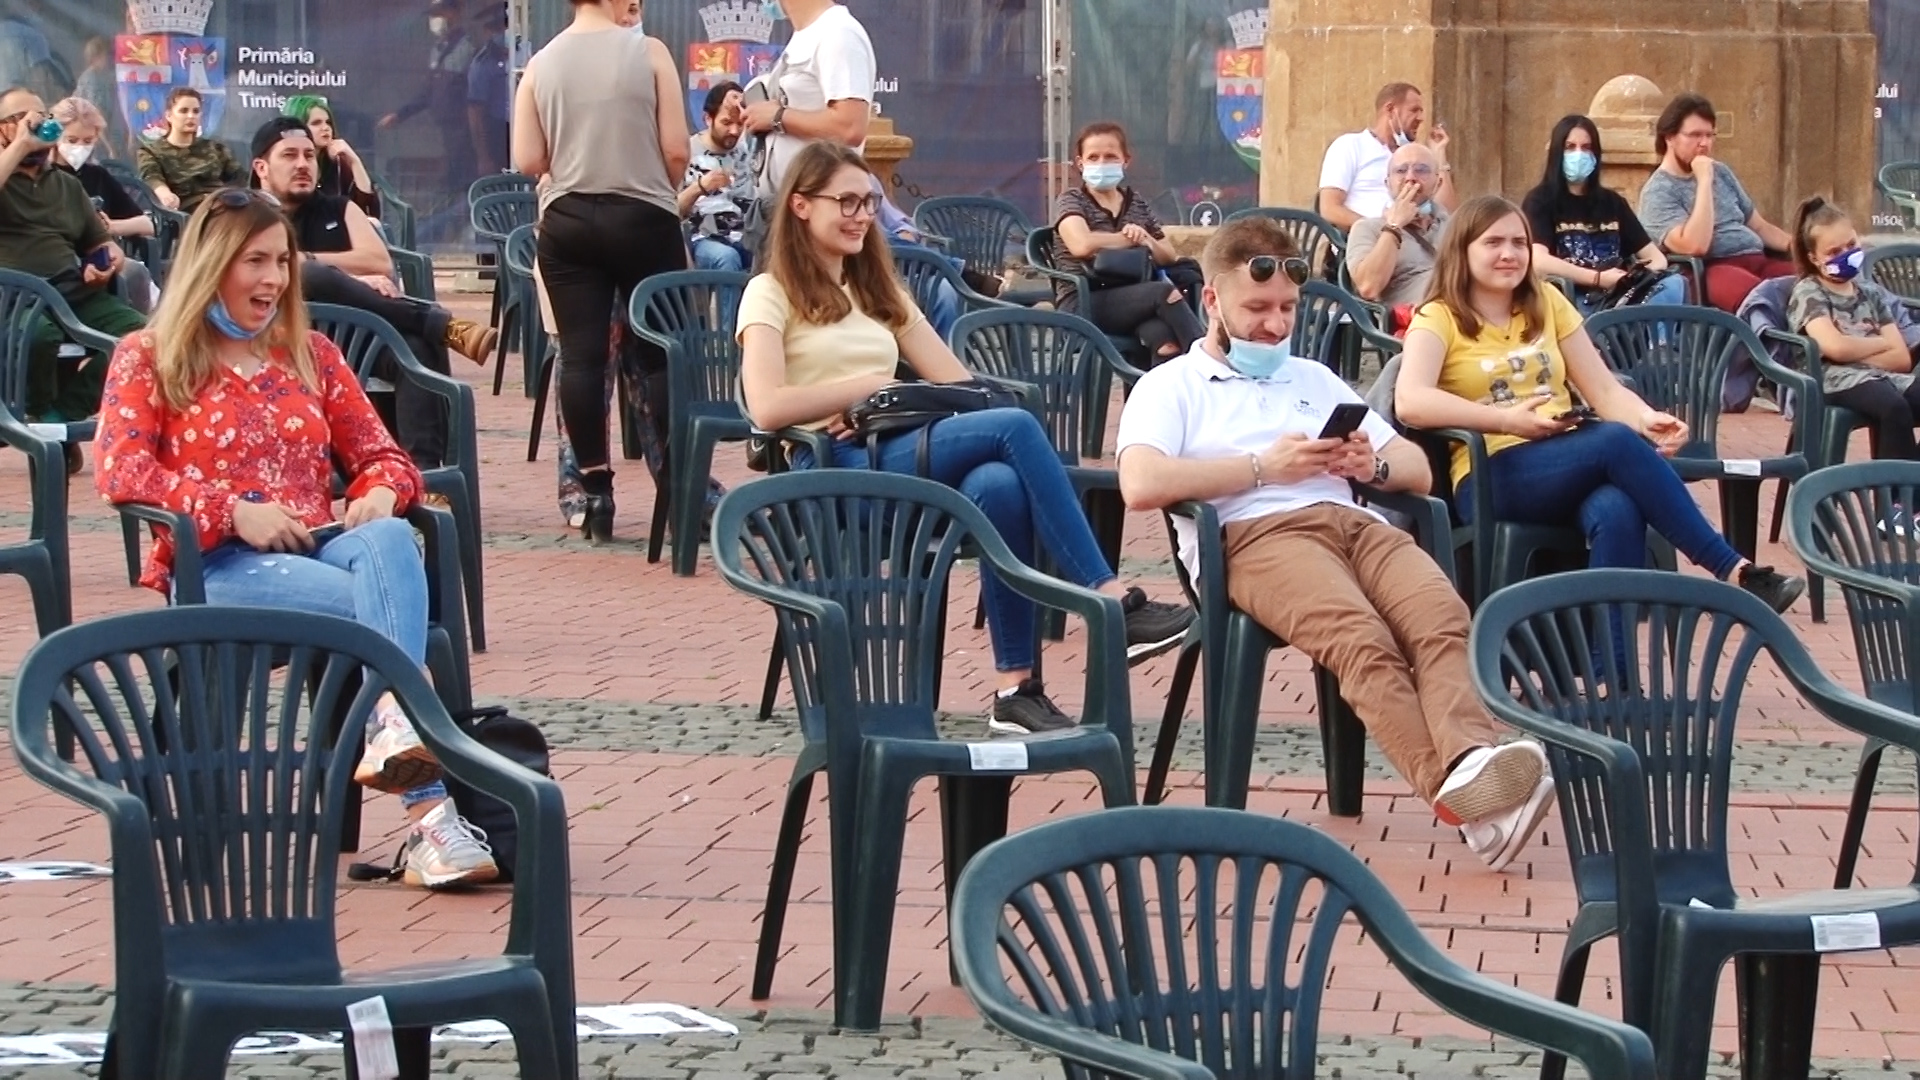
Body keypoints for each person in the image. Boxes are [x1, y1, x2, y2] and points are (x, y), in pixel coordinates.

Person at [1114, 215, 1552, 871]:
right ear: (1212, 301)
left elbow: (1417, 469)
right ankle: (1467, 800)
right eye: (1257, 309)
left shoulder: (1313, 378)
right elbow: (1141, 484)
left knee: (1441, 616)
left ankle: (1471, 766)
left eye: (1287, 308)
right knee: (1361, 638)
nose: (1275, 325)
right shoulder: (1169, 385)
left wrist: (1368, 464)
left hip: (1355, 524)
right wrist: (1264, 468)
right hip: (1254, 536)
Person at [93, 187, 496, 890]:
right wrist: (230, 511)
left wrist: (380, 488)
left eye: (282, 261)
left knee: (391, 539)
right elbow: (122, 470)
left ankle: (393, 728)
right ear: (212, 264)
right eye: (255, 261)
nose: (275, 278)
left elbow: (385, 454)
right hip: (219, 564)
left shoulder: (309, 352)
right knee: (382, 607)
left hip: (319, 543)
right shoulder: (149, 354)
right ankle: (431, 817)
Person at [739, 141, 1194, 734]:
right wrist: (868, 387)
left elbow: (956, 384)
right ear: (801, 205)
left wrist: (893, 399)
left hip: (894, 450)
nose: (861, 215)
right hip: (831, 471)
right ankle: (1110, 601)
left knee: (997, 483)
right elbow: (767, 406)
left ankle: (1015, 691)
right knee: (1014, 427)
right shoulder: (769, 292)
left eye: (869, 202)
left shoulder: (878, 290)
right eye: (845, 202)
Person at [1391, 194, 1806, 614]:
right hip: (1491, 472)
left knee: (1617, 508)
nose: (1509, 254)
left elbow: (1604, 392)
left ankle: (1609, 654)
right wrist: (1504, 421)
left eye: (1519, 243)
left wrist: (1646, 418)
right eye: (1493, 243)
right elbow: (1411, 400)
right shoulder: (1438, 316)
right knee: (1615, 441)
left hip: (1566, 457)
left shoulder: (1547, 301)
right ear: (1462, 250)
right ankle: (1733, 571)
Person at [514, 0, 689, 543]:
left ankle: (594, 487)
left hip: (568, 220)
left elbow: (528, 159)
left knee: (581, 357)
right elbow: (677, 150)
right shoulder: (651, 53)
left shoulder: (540, 64)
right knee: (660, 354)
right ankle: (678, 484)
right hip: (644, 214)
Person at [250, 117, 494, 474]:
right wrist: (330, 271)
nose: (302, 164)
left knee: (416, 348)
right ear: (261, 167)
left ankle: (426, 476)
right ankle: (437, 323)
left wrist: (316, 262)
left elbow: (379, 262)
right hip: (278, 344)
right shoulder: (247, 216)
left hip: (355, 343)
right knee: (308, 275)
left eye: (309, 155)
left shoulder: (339, 208)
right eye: (289, 155)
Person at [0, 86, 145, 468]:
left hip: (72, 290)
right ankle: (38, 420)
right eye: (21, 118)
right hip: (13, 295)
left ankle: (58, 417)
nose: (35, 123)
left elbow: (100, 242)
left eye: (41, 115)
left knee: (145, 340)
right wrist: (19, 145)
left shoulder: (66, 184)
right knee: (38, 337)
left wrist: (108, 260)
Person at [1786, 197, 1920, 481]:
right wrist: (1881, 343)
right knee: (1894, 408)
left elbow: (1901, 359)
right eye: (1834, 251)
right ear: (1814, 258)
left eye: (1850, 245)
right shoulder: (1809, 292)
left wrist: (1853, 350)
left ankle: (1913, 484)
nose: (1846, 254)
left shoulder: (1870, 293)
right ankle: (1896, 501)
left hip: (1881, 377)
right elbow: (1834, 347)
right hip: (1833, 379)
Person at [1049, 120, 1205, 362]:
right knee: (1164, 293)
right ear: (1080, 163)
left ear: (1125, 161)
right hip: (1083, 301)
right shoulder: (1071, 199)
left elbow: (1168, 255)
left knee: (1165, 341)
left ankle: (1147, 389)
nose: (1102, 163)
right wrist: (1127, 238)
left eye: (1110, 156)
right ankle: (1209, 361)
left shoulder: (1136, 203)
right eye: (1093, 157)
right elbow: (1082, 245)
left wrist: (1146, 240)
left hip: (1134, 297)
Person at [1638, 92, 1794, 314]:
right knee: (1761, 298)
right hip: (1711, 269)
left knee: (1810, 285)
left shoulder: (1721, 172)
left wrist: (1800, 246)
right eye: (1695, 135)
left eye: (1710, 135)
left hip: (1757, 259)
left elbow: (1759, 226)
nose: (1704, 143)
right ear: (1669, 137)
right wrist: (1704, 181)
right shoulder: (1658, 191)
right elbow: (1695, 246)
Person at [1521, 114, 1687, 316]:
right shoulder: (1539, 201)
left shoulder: (1613, 202)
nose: (1579, 154)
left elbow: (1656, 258)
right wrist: (1597, 279)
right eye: (1570, 147)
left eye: (1586, 147)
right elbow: (1539, 261)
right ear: (1557, 152)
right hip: (1571, 297)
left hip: (1620, 295)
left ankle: (1651, 337)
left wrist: (1635, 279)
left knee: (1674, 283)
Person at [740, 0, 875, 195]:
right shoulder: (806, 35)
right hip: (787, 201)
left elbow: (850, 128)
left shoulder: (838, 33)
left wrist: (778, 117)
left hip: (821, 200)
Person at [49, 97, 157, 314]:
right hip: (56, 261)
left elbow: (148, 224)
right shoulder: (44, 177)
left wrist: (111, 227)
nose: (79, 148)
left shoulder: (97, 176)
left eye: (87, 141)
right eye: (72, 140)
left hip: (99, 256)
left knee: (136, 274)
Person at [1317, 82, 1457, 231]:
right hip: (1368, 238)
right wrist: (1382, 228)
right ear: (1390, 109)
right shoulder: (1350, 145)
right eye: (1414, 110)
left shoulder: (1414, 155)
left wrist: (1439, 154)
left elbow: (1449, 216)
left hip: (1418, 237)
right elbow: (1329, 209)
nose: (1421, 118)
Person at [378, 1, 480, 198]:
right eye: (434, 14)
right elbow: (428, 91)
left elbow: (473, 94)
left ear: (455, 12)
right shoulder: (439, 49)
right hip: (445, 129)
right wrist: (400, 115)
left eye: (441, 13)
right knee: (450, 181)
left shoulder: (469, 47)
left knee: (462, 180)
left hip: (464, 130)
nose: (436, 19)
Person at [1344, 142, 1448, 317]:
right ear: (1388, 183)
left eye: (1421, 170)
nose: (1410, 177)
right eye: (1401, 170)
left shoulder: (1452, 225)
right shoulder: (1367, 228)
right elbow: (1368, 287)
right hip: (1415, 322)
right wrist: (1394, 226)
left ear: (1438, 183)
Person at [680, 81, 754, 273]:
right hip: (703, 238)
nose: (734, 131)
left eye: (740, 124)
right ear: (708, 119)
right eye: (726, 123)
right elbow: (672, 209)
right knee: (726, 258)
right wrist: (699, 187)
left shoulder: (747, 153)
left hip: (745, 234)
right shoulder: (686, 153)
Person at [136, 87, 242, 213]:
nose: (191, 116)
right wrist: (166, 195)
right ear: (169, 115)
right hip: (187, 212)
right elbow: (152, 178)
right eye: (183, 111)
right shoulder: (151, 152)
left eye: (196, 111)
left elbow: (239, 178)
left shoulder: (215, 148)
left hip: (223, 206)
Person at [279, 95, 380, 218]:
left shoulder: (338, 163)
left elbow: (369, 213)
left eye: (328, 122)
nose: (325, 128)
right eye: (316, 123)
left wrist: (355, 162)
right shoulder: (283, 164)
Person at [466, 8, 512, 179]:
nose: (504, 32)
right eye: (498, 29)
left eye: (507, 27)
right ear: (488, 32)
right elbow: (476, 113)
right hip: (497, 133)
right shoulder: (483, 63)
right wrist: (483, 157)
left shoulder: (527, 53)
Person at [70, 37, 124, 160]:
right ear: (95, 57)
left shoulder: (105, 77)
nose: (111, 59)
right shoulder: (92, 80)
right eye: (107, 55)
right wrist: (110, 148)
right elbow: (97, 115)